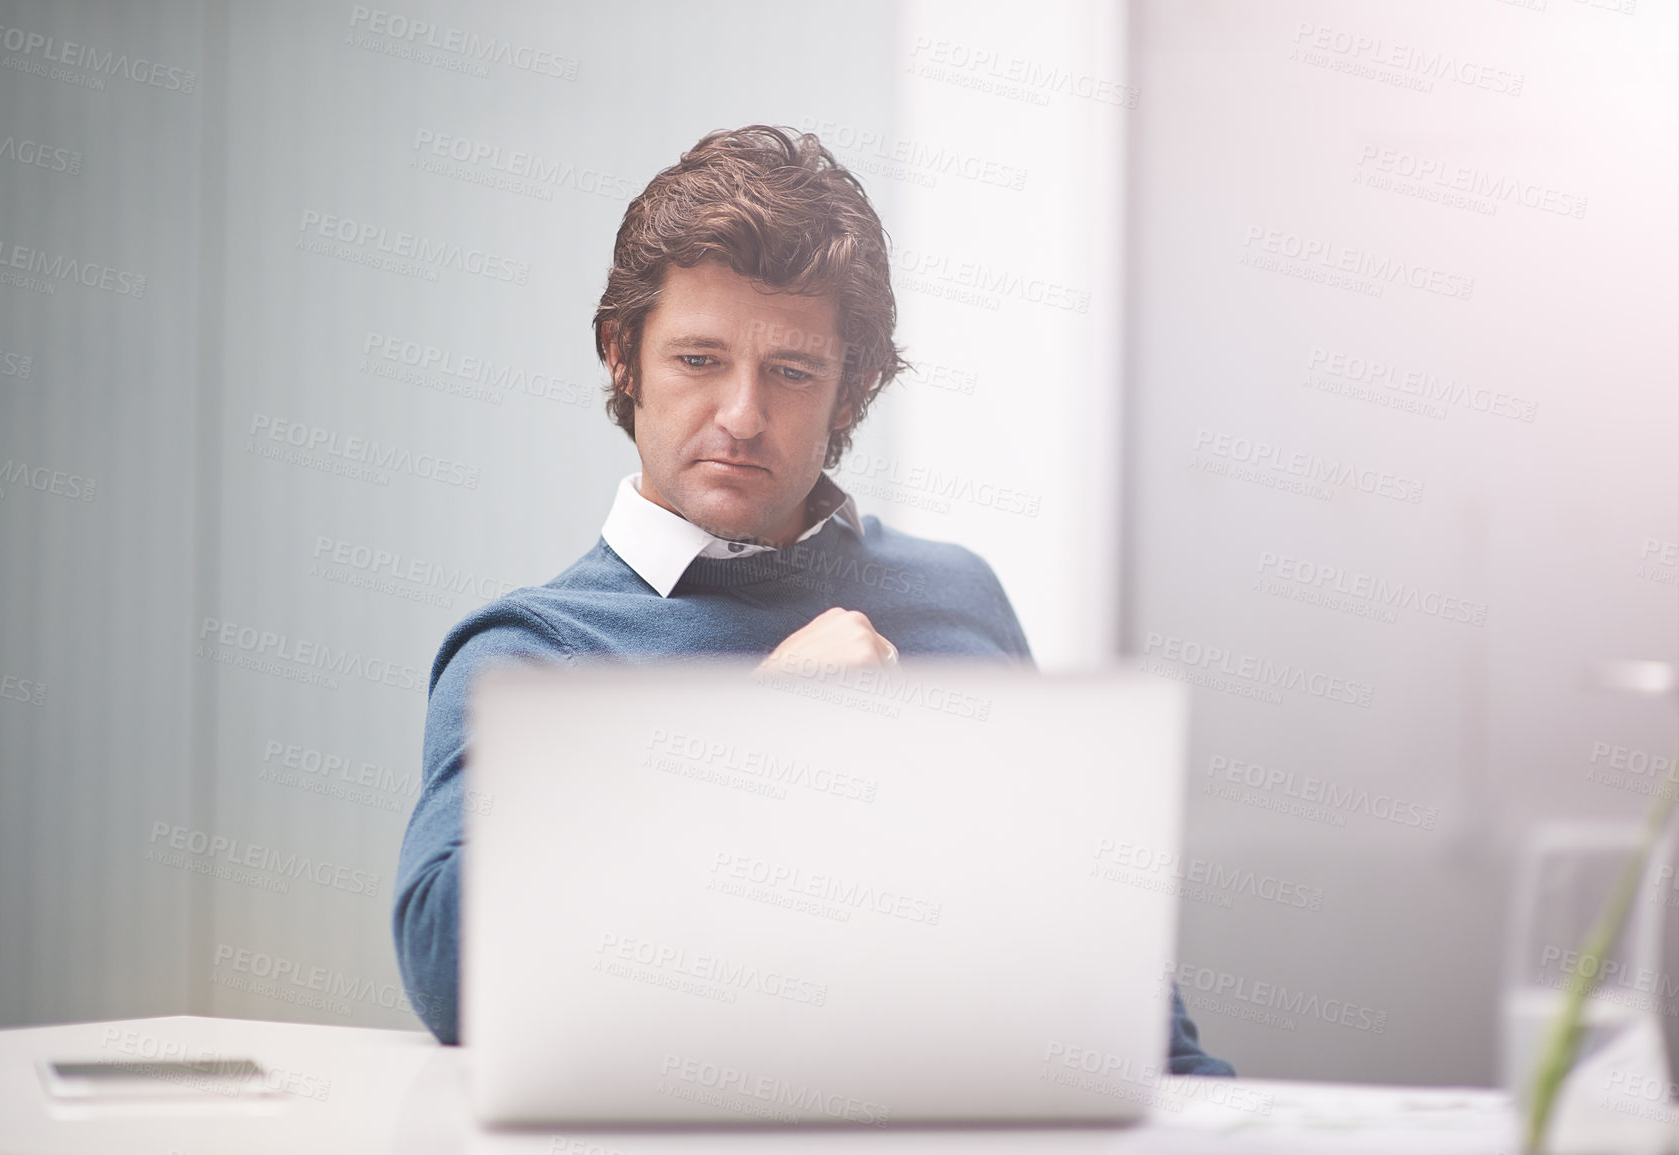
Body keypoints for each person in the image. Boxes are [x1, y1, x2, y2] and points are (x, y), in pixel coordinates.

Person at [392, 124, 1233, 1076]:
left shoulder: (957, 594)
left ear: (851, 390)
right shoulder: (531, 654)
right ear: (621, 357)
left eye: (791, 372)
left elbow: (1097, 960)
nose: (743, 416)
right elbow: (448, 974)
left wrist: (1228, 1118)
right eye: (698, 360)